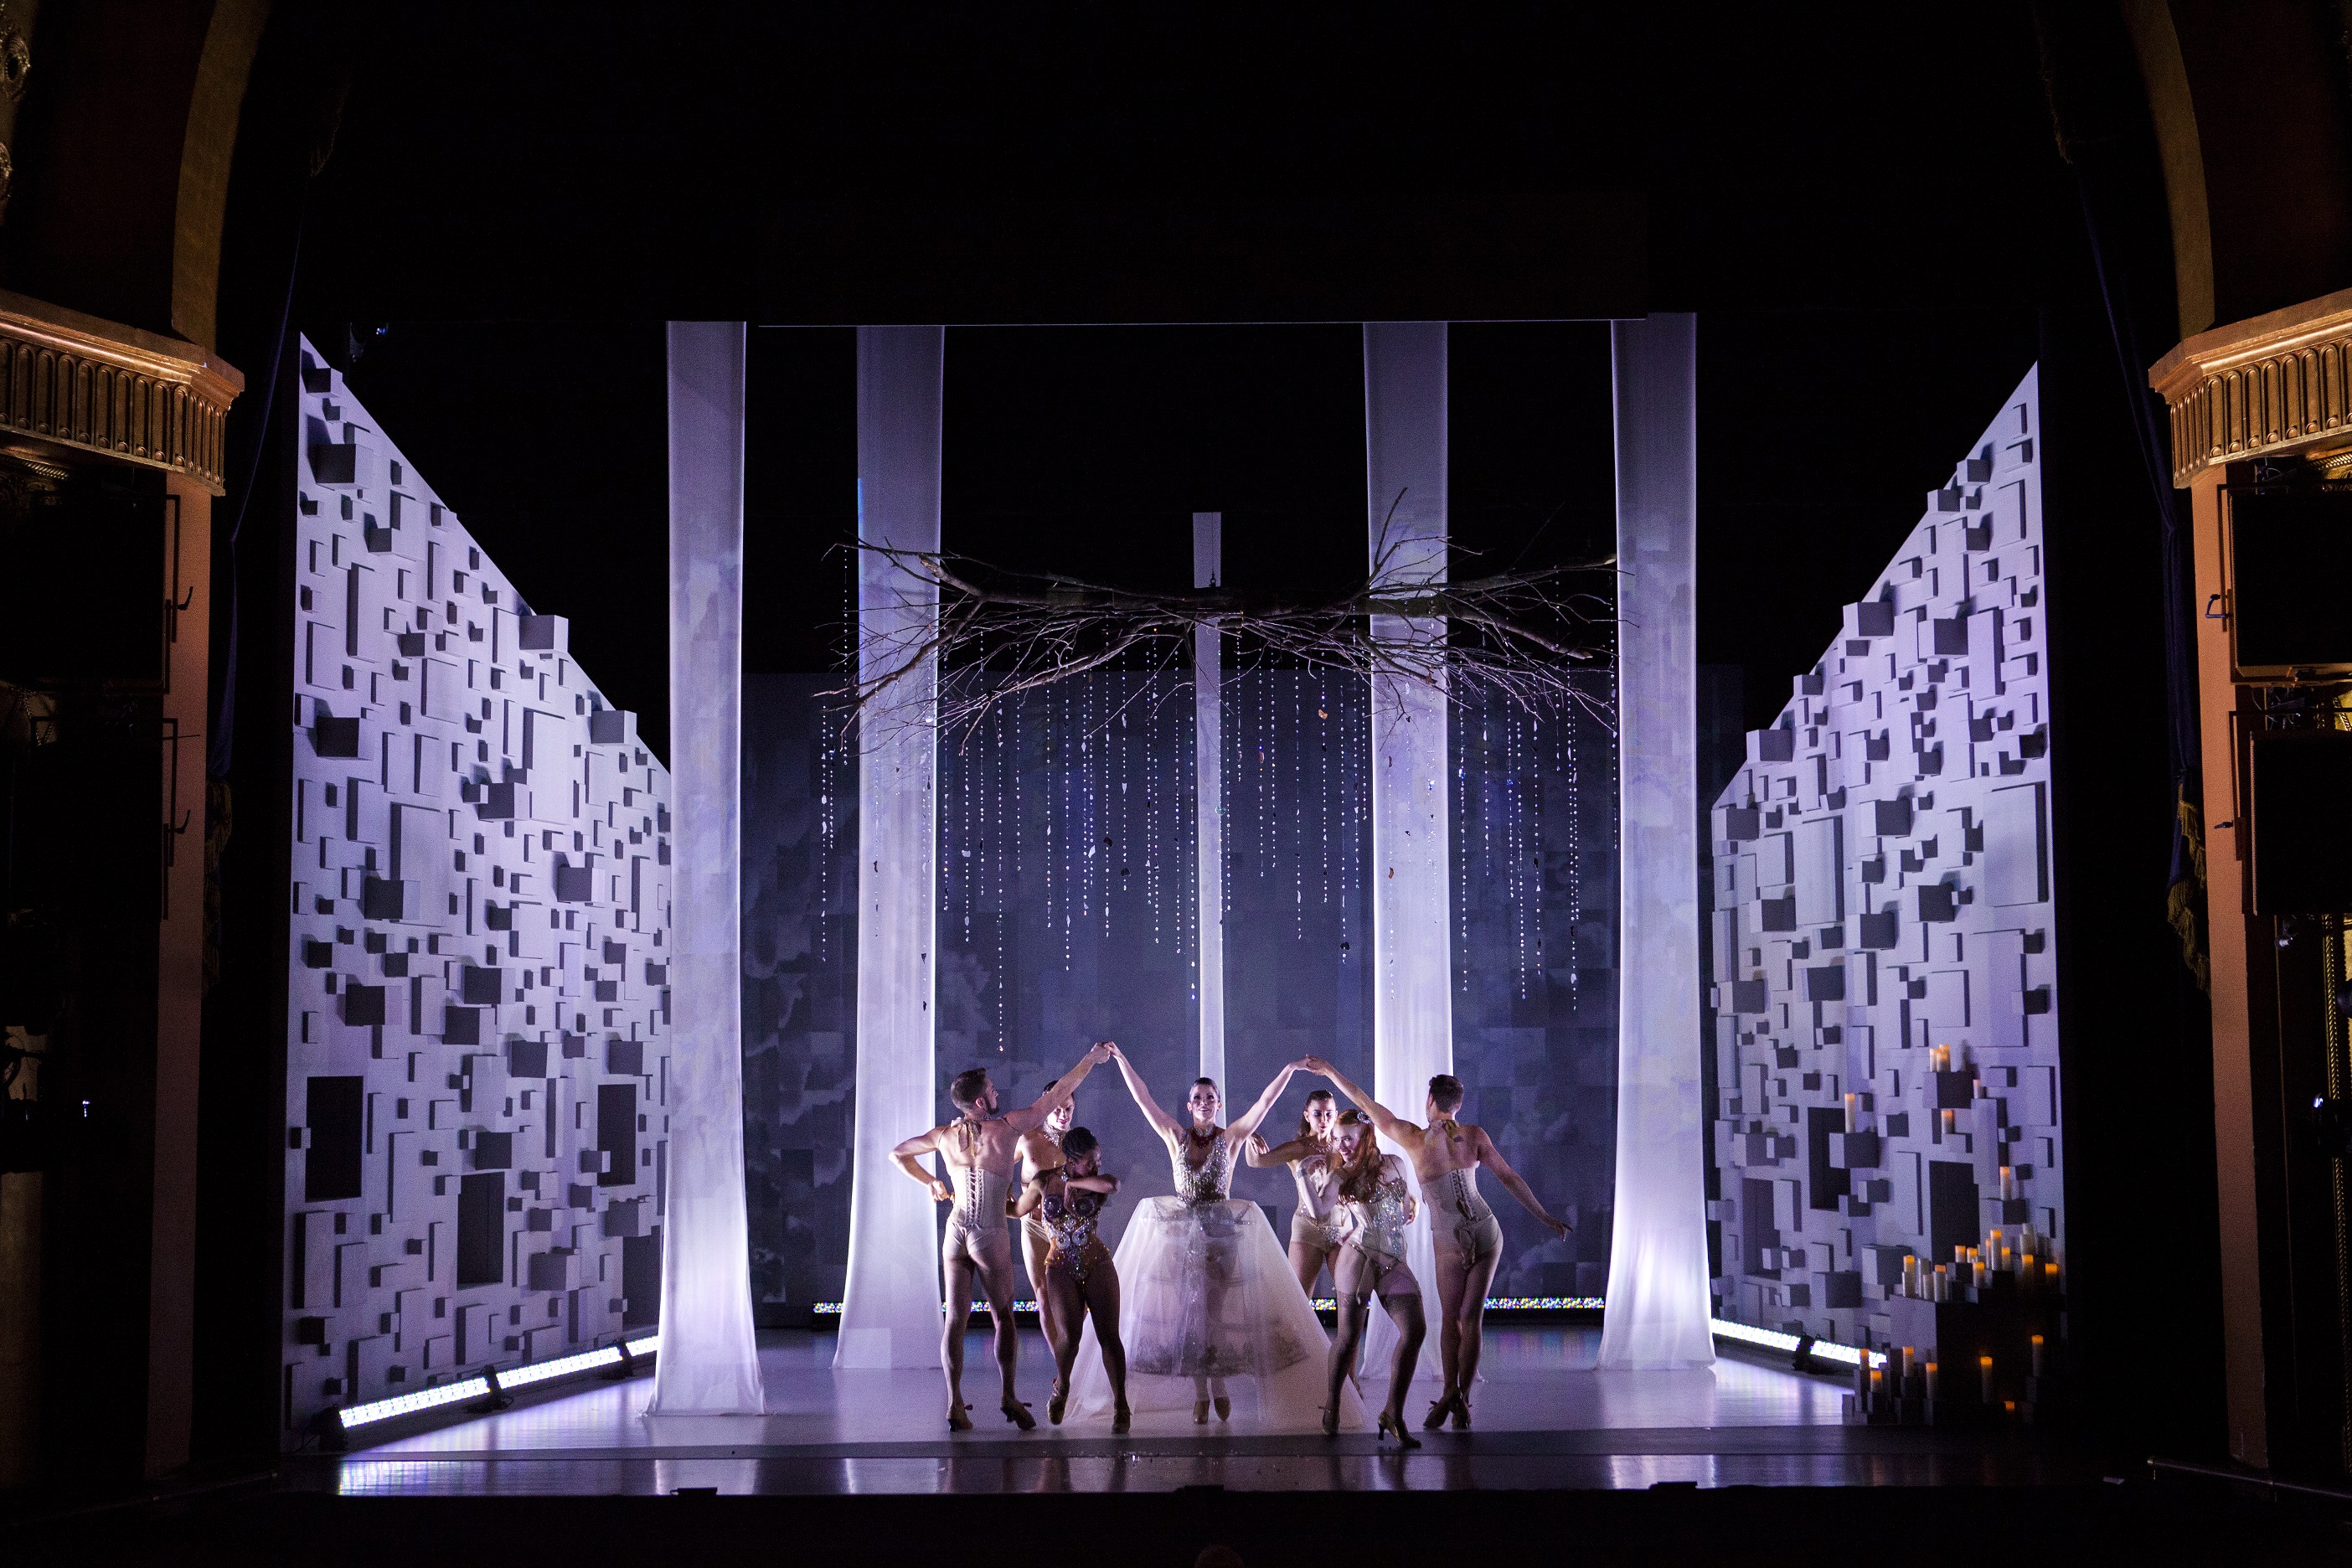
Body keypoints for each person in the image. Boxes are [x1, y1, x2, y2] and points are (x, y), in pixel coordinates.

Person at [1065, 1047, 1364, 1431]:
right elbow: (1145, 1101)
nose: (1204, 1102)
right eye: (1198, 1098)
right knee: (1190, 1313)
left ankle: (1216, 1383)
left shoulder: (1232, 1138)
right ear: (1190, 1106)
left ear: (1219, 1105)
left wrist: (1289, 1068)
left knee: (1213, 1312)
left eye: (1211, 1097)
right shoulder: (1175, 1136)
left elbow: (1264, 1103)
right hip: (1181, 1236)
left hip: (1221, 1235)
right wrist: (1124, 1061)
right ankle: (1202, 1392)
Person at [1303, 1057, 1570, 1431]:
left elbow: (1364, 1102)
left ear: (1430, 1100)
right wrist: (1545, 1217)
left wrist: (1331, 1072)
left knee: (1450, 1321)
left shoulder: (1413, 1139)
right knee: (1470, 1320)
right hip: (1486, 1231)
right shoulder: (1474, 1135)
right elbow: (1509, 1177)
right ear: (1457, 1104)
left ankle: (1448, 1395)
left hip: (1447, 1241)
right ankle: (1458, 1400)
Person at [891, 1041, 1113, 1431]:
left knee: (955, 1319)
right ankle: (1008, 1396)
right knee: (1003, 1317)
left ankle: (955, 1404)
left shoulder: (943, 1135)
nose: (997, 1093)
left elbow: (898, 1153)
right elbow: (1056, 1096)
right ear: (980, 1102)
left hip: (955, 1233)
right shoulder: (1008, 1128)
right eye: (992, 1090)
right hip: (988, 1232)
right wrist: (1091, 1060)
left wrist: (931, 1182)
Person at [1012, 1126, 1130, 1432]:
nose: (1097, 1166)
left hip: (1096, 1261)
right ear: (1072, 1161)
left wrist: (1073, 1182)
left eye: (1098, 1160)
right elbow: (1017, 1209)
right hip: (1060, 1264)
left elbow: (1114, 1184)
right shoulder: (1043, 1181)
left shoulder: (1095, 1182)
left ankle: (1121, 1405)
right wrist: (986, 1198)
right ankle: (1062, 1386)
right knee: (1069, 1337)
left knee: (1109, 1336)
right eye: (1091, 1162)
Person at [1322, 1109, 1426, 1446]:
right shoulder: (1341, 1175)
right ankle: (1333, 1404)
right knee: (1348, 1338)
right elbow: (1321, 1209)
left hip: (1393, 1259)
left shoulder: (1395, 1163)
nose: (1342, 1146)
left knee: (1415, 1330)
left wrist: (1414, 1203)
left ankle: (1393, 1413)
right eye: (1337, 1140)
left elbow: (1403, 1200)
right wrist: (1309, 1178)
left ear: (1366, 1136)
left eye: (1348, 1139)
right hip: (1359, 1257)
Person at [1244, 1088, 1344, 1298]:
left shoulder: (1343, 1147)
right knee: (1299, 1299)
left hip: (1342, 1230)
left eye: (1329, 1114)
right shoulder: (1298, 1148)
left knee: (1349, 1297)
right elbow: (1256, 1161)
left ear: (1336, 1115)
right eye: (1317, 1114)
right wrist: (1248, 1135)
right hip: (1307, 1230)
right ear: (1307, 1115)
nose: (1324, 1119)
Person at [1014, 1083, 1075, 1341]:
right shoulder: (1027, 1138)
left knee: (1073, 1295)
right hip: (1033, 1226)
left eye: (1068, 1109)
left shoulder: (1077, 1144)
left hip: (1066, 1226)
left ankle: (1074, 1354)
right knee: (1043, 1294)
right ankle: (1060, 1361)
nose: (1063, 1115)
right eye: (1057, 1109)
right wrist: (1008, 1199)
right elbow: (997, 1167)